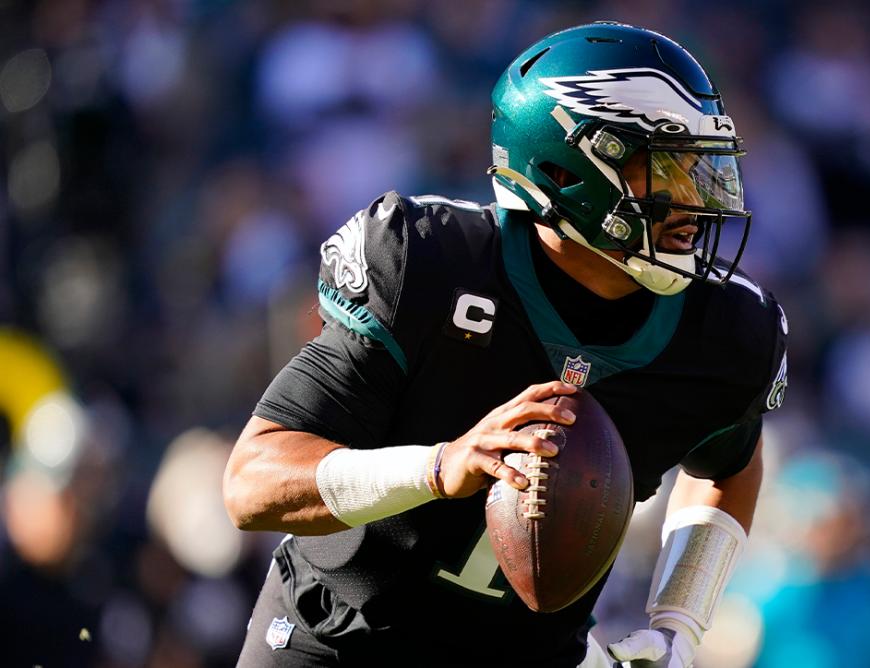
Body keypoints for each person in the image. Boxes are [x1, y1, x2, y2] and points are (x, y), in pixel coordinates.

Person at [223, 21, 787, 668]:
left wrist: (679, 625)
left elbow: (730, 461)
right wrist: (440, 467)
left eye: (701, 166)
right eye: (666, 169)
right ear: (567, 167)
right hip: (334, 642)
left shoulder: (722, 329)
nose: (697, 199)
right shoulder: (429, 263)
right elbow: (251, 484)